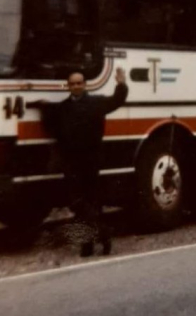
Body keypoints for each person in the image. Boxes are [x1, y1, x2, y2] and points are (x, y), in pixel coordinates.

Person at [34, 67, 128, 256]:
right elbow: (50, 119)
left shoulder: (96, 103)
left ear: (84, 85)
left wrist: (122, 84)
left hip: (91, 160)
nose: (76, 86)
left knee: (90, 201)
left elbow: (116, 100)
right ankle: (102, 233)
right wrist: (42, 105)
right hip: (71, 162)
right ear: (69, 86)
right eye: (73, 83)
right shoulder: (63, 108)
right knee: (77, 203)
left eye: (79, 83)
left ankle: (88, 245)